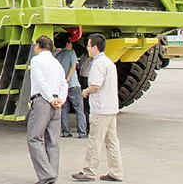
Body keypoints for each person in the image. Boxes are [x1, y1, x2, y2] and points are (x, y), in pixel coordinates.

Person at [72, 34, 124, 182]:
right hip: (111, 108)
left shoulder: (98, 64)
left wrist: (85, 91)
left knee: (95, 140)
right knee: (112, 142)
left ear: (95, 47)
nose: (87, 49)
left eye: (89, 46)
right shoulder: (108, 62)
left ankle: (89, 171)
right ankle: (116, 172)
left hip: (100, 109)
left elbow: (95, 85)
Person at [27, 35, 68, 184]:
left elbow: (40, 81)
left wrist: (50, 99)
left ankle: (46, 174)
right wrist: (60, 100)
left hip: (42, 101)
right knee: (53, 141)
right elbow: (64, 83)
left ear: (38, 45)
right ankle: (52, 176)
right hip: (56, 103)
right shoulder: (56, 63)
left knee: (34, 138)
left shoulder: (36, 60)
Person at [55, 32, 87, 138]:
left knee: (64, 110)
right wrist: (68, 79)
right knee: (79, 109)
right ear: (68, 43)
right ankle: (82, 132)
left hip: (62, 87)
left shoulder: (58, 56)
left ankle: (66, 131)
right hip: (73, 85)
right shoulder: (71, 53)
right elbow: (73, 66)